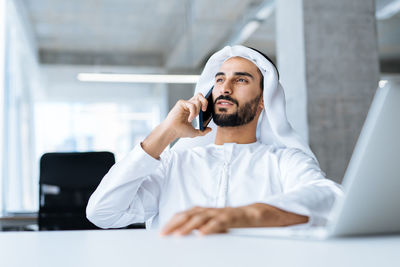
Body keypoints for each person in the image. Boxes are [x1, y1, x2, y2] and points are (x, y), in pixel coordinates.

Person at [86, 45, 342, 236]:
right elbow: (103, 212)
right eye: (220, 79)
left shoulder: (283, 161)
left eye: (241, 79)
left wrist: (240, 215)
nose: (225, 88)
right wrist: (166, 131)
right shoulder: (175, 163)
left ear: (264, 99)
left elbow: (330, 199)